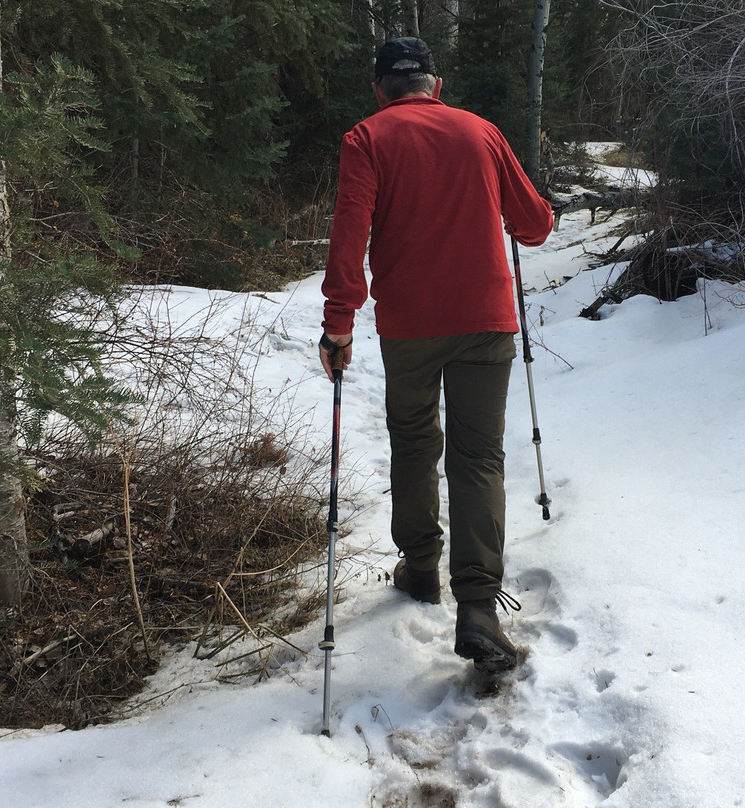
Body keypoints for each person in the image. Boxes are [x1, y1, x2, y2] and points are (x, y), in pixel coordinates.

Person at [318, 37, 553, 673]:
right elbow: (534, 224)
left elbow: (349, 236)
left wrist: (338, 326)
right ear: (435, 83)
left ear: (379, 89)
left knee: (415, 441)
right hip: (485, 320)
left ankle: (421, 567)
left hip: (409, 326)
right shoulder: (481, 132)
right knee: (478, 455)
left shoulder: (365, 140)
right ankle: (478, 608)